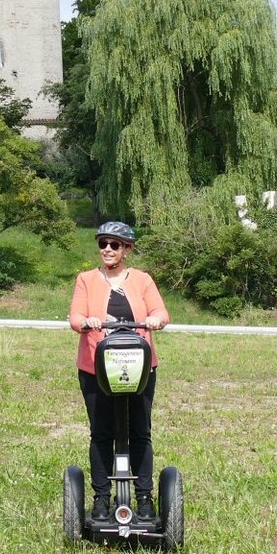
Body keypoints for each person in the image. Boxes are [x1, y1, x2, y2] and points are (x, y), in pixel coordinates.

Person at [66, 220, 169, 523]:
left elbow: (161, 312)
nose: (107, 250)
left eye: (114, 245)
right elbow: (76, 317)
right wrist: (88, 321)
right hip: (96, 367)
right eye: (103, 244)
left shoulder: (142, 280)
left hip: (138, 365)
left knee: (140, 433)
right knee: (101, 434)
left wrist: (154, 321)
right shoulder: (86, 279)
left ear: (127, 249)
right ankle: (101, 500)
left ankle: (144, 500)